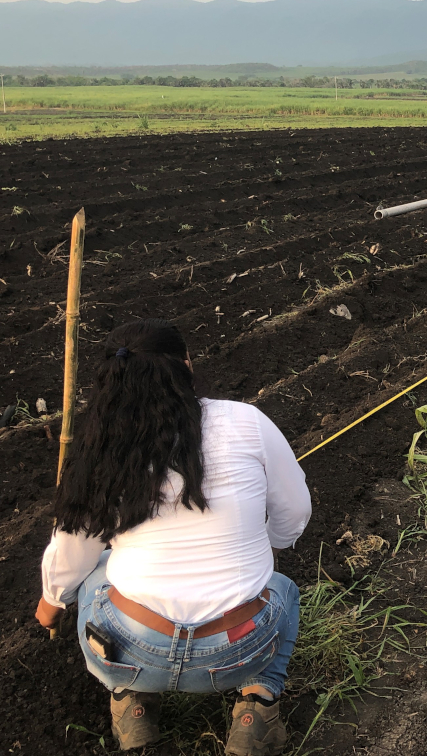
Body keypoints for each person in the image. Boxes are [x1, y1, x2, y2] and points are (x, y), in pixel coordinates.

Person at [35, 319, 311, 755]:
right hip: (238, 646)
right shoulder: (246, 422)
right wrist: (268, 544)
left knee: (96, 574)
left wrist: (52, 599)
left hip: (131, 647)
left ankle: (132, 701)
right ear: (187, 364)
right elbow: (295, 512)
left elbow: (75, 548)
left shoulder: (102, 445)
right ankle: (256, 710)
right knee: (283, 590)